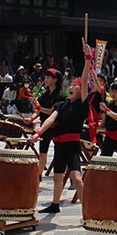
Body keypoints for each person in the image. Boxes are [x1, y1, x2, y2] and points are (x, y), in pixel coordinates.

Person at [31, 43, 93, 214]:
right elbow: (50, 119)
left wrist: (88, 59)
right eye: (71, 85)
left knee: (77, 178)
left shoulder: (82, 104)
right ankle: (55, 205)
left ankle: (87, 211)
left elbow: (86, 79)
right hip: (59, 146)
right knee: (57, 177)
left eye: (75, 86)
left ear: (81, 91)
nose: (71, 87)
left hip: (72, 146)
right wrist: (38, 133)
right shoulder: (61, 104)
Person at [29, 66, 65, 177]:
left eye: (49, 77)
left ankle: (68, 176)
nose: (46, 79)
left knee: (61, 152)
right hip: (45, 126)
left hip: (57, 127)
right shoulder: (44, 94)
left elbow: (52, 112)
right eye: (46, 77)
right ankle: (38, 177)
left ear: (55, 80)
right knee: (42, 153)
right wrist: (31, 118)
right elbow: (39, 111)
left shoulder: (61, 96)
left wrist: (39, 108)